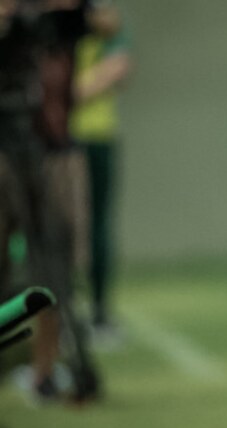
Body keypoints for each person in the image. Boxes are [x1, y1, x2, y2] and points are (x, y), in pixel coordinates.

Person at [0, 0, 100, 404]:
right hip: (4, 152)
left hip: (52, 151)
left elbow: (101, 21)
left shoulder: (57, 20)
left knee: (54, 269)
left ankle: (46, 372)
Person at [69, 0, 130, 337]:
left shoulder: (101, 17)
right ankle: (61, 311)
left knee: (98, 227)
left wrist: (69, 91)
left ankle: (99, 310)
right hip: (54, 138)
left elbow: (121, 66)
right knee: (59, 228)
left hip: (97, 134)